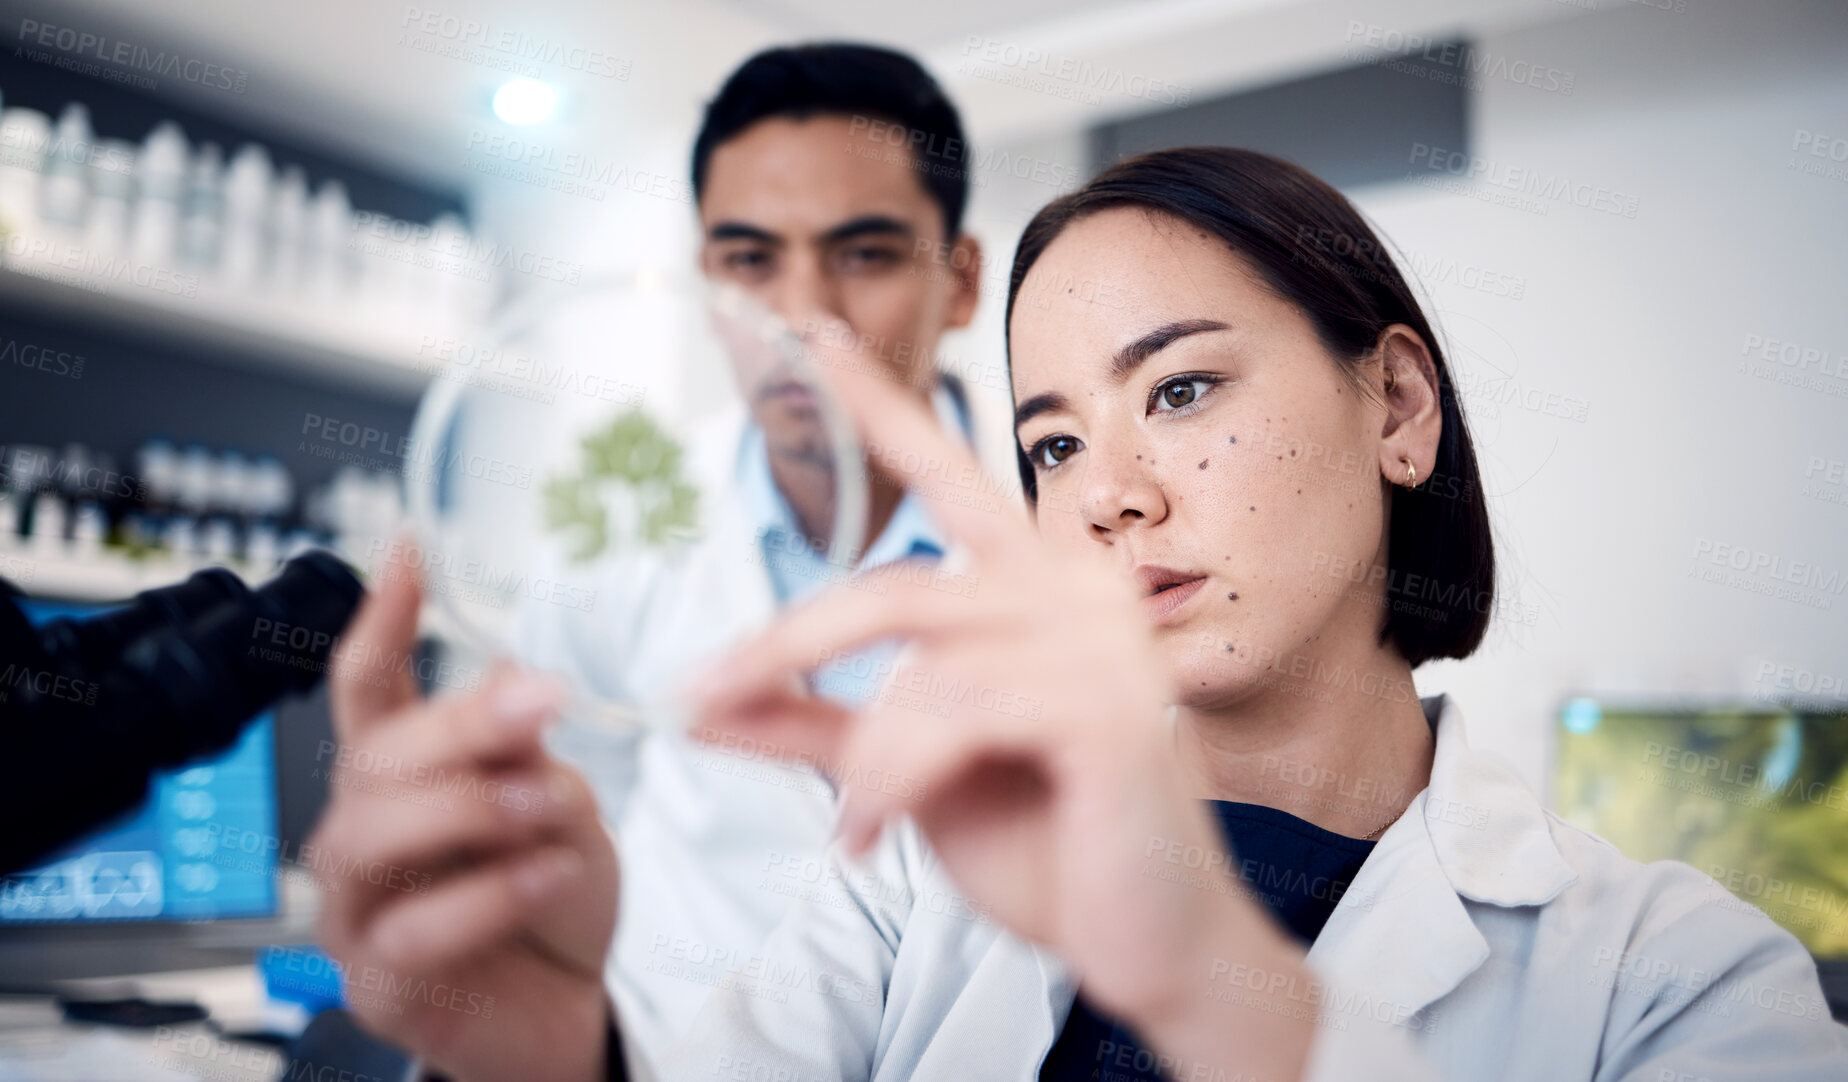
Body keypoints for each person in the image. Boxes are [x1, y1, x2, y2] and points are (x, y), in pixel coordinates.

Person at [309, 147, 1848, 1082]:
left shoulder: (1679, 983)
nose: (1107, 495)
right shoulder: (916, 879)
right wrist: (557, 1054)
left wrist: (1200, 969)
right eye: (1052, 443)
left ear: (1395, 403)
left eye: (1178, 389)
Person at [504, 42, 983, 1058]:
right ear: (704, 278)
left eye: (865, 253)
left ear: (962, 281)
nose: (801, 318)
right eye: (750, 260)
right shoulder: (620, 527)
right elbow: (572, 775)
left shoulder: (1079, 539)